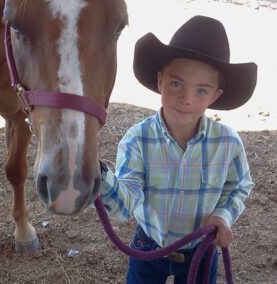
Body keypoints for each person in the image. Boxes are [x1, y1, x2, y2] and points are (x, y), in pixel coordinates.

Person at [99, 15, 257, 284]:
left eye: (201, 91)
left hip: (202, 250)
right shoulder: (137, 140)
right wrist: (98, 175)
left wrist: (223, 215)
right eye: (176, 84)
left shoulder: (228, 143)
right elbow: (123, 208)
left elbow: (239, 185)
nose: (186, 99)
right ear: (160, 81)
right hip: (148, 248)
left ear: (215, 96)